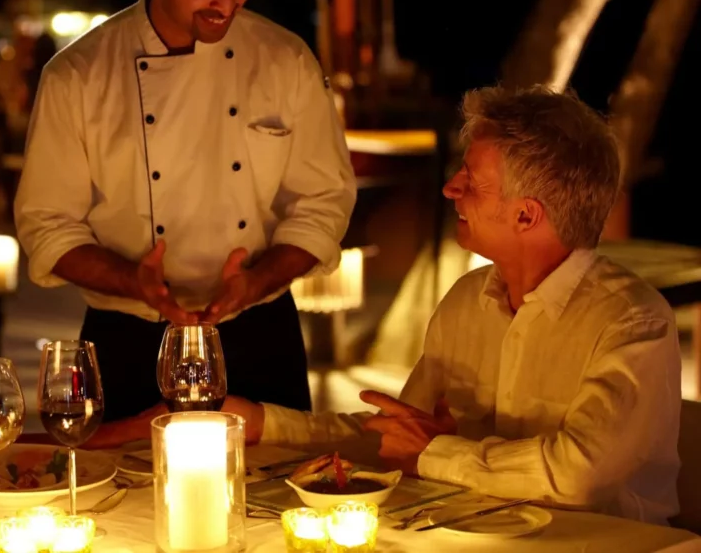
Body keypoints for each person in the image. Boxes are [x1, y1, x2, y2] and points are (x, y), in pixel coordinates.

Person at [88, 86, 682, 525]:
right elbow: (394, 440)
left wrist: (437, 453)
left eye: (470, 180)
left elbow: (576, 475)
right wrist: (262, 423)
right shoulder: (466, 303)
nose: (450, 189)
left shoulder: (631, 323)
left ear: (527, 215)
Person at [14, 0, 356, 422]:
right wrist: (133, 280)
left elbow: (324, 203)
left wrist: (255, 281)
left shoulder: (285, 60)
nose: (226, 2)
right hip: (125, 340)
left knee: (280, 503)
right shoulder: (78, 74)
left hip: (260, 334)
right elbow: (47, 226)